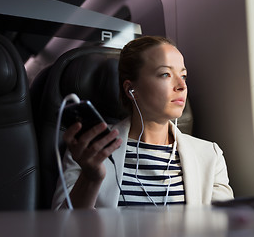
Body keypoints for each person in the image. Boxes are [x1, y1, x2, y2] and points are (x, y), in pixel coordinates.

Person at [52, 36, 234, 209]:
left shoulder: (209, 156)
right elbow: (61, 228)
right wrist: (90, 178)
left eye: (184, 76)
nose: (182, 85)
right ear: (131, 89)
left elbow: (226, 226)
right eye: (165, 74)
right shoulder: (91, 149)